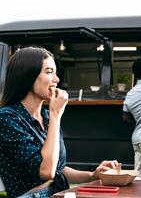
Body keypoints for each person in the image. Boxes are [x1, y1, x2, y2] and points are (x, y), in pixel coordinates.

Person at [0, 47, 119, 198]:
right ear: (27, 76)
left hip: (57, 193)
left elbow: (57, 169)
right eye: (49, 72)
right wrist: (56, 114)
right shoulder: (7, 118)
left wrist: (92, 175)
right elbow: (46, 172)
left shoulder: (47, 116)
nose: (56, 79)